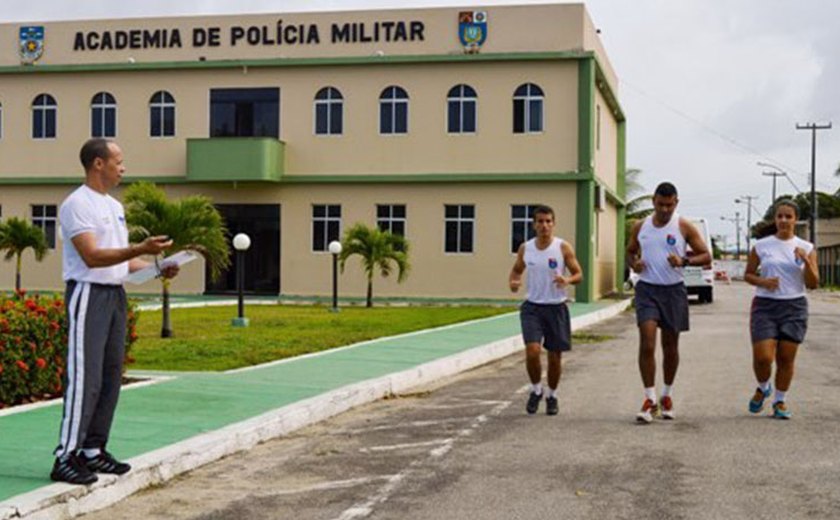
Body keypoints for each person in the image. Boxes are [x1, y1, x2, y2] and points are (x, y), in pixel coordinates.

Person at [51, 138, 179, 485]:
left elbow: (122, 260)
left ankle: (93, 450)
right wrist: (139, 247)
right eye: (118, 161)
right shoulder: (77, 204)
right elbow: (92, 256)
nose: (123, 167)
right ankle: (66, 455)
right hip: (88, 295)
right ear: (97, 164)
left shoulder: (113, 205)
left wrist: (157, 266)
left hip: (114, 295)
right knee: (85, 378)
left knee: (109, 377)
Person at [626, 182, 711, 423]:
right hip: (647, 290)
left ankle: (667, 394)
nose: (665, 210)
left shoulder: (683, 226)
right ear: (653, 201)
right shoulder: (640, 226)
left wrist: (684, 261)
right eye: (661, 204)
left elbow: (706, 255)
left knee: (670, 346)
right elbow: (630, 251)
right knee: (647, 341)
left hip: (673, 291)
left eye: (669, 205)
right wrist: (635, 264)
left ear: (676, 203)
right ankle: (649, 398)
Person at [744, 200, 818, 420]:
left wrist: (806, 261)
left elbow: (813, 283)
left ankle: (780, 401)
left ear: (796, 219)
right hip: (765, 306)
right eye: (780, 216)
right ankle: (763, 386)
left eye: (788, 216)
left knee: (786, 359)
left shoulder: (807, 247)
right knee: (763, 357)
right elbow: (748, 274)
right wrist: (763, 282)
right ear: (775, 219)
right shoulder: (761, 246)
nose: (784, 220)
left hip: (794, 306)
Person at [509, 205, 583, 416]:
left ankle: (552, 395)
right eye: (540, 221)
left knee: (554, 357)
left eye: (548, 221)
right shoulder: (526, 248)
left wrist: (567, 279)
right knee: (532, 351)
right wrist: (514, 282)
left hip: (556, 307)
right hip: (532, 307)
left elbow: (579, 274)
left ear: (553, 224)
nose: (544, 226)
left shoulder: (562, 248)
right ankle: (536, 389)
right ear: (534, 224)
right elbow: (516, 270)